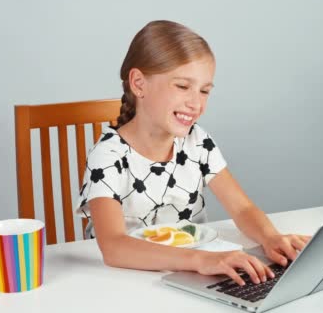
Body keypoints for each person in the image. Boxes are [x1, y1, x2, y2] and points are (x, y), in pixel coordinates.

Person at [76, 20, 310, 286]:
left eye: (204, 91)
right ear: (139, 84)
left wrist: (271, 238)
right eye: (182, 86)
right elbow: (114, 247)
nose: (196, 103)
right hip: (125, 284)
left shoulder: (197, 142)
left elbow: (242, 208)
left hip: (193, 280)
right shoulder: (108, 155)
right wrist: (202, 261)